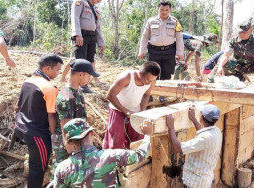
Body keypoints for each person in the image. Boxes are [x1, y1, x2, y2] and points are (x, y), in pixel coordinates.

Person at [53, 118, 153, 187]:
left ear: (70, 142)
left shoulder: (62, 168)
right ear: (92, 134)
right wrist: (148, 134)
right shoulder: (110, 156)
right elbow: (140, 155)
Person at [14, 54, 63, 188]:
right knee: (38, 167)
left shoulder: (27, 81)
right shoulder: (49, 88)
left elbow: (19, 106)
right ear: (47, 68)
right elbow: (51, 115)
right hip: (36, 133)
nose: (58, 73)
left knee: (34, 162)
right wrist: (53, 135)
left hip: (21, 126)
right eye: (57, 70)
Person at [51, 59, 100, 178]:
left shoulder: (77, 91)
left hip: (77, 140)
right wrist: (71, 147)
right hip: (68, 142)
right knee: (62, 173)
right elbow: (66, 128)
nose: (89, 79)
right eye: (88, 76)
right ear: (80, 74)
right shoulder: (67, 97)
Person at [102, 61, 160, 149]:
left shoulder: (151, 82)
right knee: (116, 140)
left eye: (153, 80)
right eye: (148, 79)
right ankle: (114, 161)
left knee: (136, 140)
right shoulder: (126, 77)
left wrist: (142, 110)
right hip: (117, 110)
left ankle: (133, 160)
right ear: (140, 73)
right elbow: (110, 95)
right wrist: (125, 110)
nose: (149, 82)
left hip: (135, 112)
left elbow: (146, 95)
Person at [166, 104, 222, 188]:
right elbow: (203, 132)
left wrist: (171, 127)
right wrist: (194, 119)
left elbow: (177, 148)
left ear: (201, 117)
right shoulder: (216, 131)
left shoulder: (205, 138)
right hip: (205, 180)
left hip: (195, 183)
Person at [138, 1, 184, 102]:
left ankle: (163, 95)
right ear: (158, 9)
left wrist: (180, 53)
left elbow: (179, 37)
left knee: (166, 74)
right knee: (151, 73)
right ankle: (148, 94)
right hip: (154, 51)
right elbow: (145, 37)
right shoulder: (151, 21)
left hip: (169, 51)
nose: (164, 12)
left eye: (167, 10)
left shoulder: (175, 21)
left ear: (170, 10)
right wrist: (142, 51)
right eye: (162, 9)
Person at [216, 18, 254, 85]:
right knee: (225, 63)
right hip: (240, 67)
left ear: (250, 30)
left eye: (244, 32)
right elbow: (226, 55)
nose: (241, 34)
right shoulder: (233, 41)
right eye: (240, 32)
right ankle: (239, 80)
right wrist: (220, 67)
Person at [64, 0, 105, 93]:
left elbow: (98, 27)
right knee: (80, 61)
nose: (99, 1)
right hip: (82, 36)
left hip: (92, 37)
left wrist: (101, 42)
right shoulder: (80, 2)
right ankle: (73, 85)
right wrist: (77, 35)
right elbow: (75, 18)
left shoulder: (95, 9)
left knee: (89, 61)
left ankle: (84, 85)